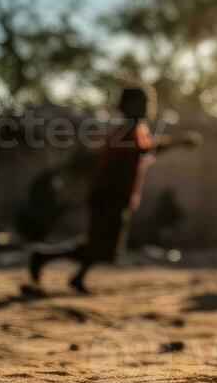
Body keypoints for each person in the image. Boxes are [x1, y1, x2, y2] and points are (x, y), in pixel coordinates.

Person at [27, 84, 201, 294]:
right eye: (140, 104)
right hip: (109, 195)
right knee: (102, 246)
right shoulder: (126, 132)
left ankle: (72, 273)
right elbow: (142, 152)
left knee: (103, 245)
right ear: (126, 106)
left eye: (146, 104)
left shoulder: (134, 130)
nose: (145, 108)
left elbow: (144, 150)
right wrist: (179, 141)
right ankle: (45, 257)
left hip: (116, 195)